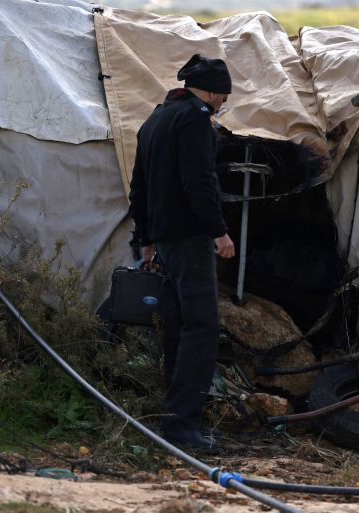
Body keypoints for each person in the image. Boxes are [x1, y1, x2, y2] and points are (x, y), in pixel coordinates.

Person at [128, 54, 236, 453]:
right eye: (222, 97)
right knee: (202, 327)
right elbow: (200, 182)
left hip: (165, 241)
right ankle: (183, 425)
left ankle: (171, 417)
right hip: (190, 239)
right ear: (211, 91)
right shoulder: (194, 120)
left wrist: (147, 237)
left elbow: (138, 186)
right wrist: (218, 231)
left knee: (176, 326)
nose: (222, 104)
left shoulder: (154, 119)